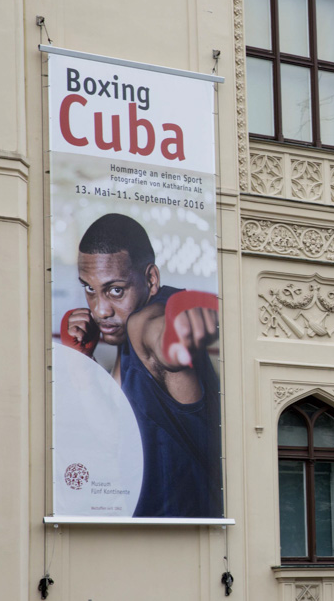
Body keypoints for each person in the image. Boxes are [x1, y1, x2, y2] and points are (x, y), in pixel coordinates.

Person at [61, 213, 222, 518]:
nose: (100, 309)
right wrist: (83, 363)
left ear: (151, 279)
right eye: (90, 289)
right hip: (151, 525)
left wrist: (178, 338)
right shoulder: (126, 333)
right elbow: (114, 433)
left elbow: (159, 339)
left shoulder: (144, 320)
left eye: (115, 290)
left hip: (187, 533)